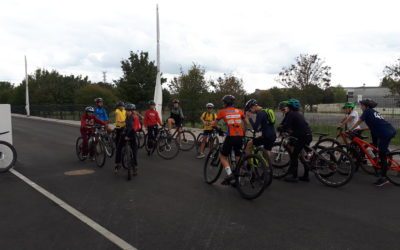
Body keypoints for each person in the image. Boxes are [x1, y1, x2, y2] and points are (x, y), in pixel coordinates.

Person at [349, 99, 396, 187]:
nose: (360, 107)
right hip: (389, 130)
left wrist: (350, 130)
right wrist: (362, 129)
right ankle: (379, 165)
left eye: (361, 105)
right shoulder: (374, 112)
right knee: (376, 147)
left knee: (382, 155)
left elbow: (359, 121)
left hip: (384, 134)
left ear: (366, 106)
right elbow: (375, 124)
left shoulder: (367, 112)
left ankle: (383, 178)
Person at [212, 95, 245, 185]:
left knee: (223, 156)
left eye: (224, 102)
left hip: (231, 136)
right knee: (238, 155)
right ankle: (239, 176)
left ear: (225, 103)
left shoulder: (222, 112)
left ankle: (230, 174)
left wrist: (217, 128)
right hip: (240, 136)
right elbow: (245, 122)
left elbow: (214, 123)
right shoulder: (240, 111)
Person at [278, 99, 313, 183]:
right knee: (302, 155)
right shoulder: (298, 114)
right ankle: (306, 176)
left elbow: (286, 126)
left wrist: (280, 129)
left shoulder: (291, 114)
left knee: (294, 155)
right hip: (308, 135)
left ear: (289, 107)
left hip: (302, 137)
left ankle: (294, 176)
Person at [244, 99, 277, 164]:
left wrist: (249, 118)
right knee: (267, 150)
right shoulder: (266, 111)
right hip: (273, 135)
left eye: (250, 110)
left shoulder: (260, 113)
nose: (251, 112)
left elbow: (255, 128)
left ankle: (249, 164)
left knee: (249, 144)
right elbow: (267, 124)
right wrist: (260, 129)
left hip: (266, 136)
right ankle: (268, 167)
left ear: (253, 106)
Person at [115, 103, 138, 175]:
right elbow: (126, 125)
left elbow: (134, 128)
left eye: (129, 111)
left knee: (133, 150)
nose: (127, 112)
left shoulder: (134, 117)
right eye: (127, 110)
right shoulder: (128, 117)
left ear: (132, 111)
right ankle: (118, 164)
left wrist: (129, 136)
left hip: (131, 135)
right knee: (119, 147)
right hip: (127, 134)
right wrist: (122, 129)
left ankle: (134, 167)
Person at [114, 101, 126, 170]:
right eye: (121, 106)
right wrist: (124, 122)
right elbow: (118, 119)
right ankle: (117, 145)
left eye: (123, 106)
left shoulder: (124, 111)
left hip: (124, 126)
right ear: (118, 107)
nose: (122, 107)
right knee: (118, 139)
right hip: (119, 127)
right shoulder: (117, 111)